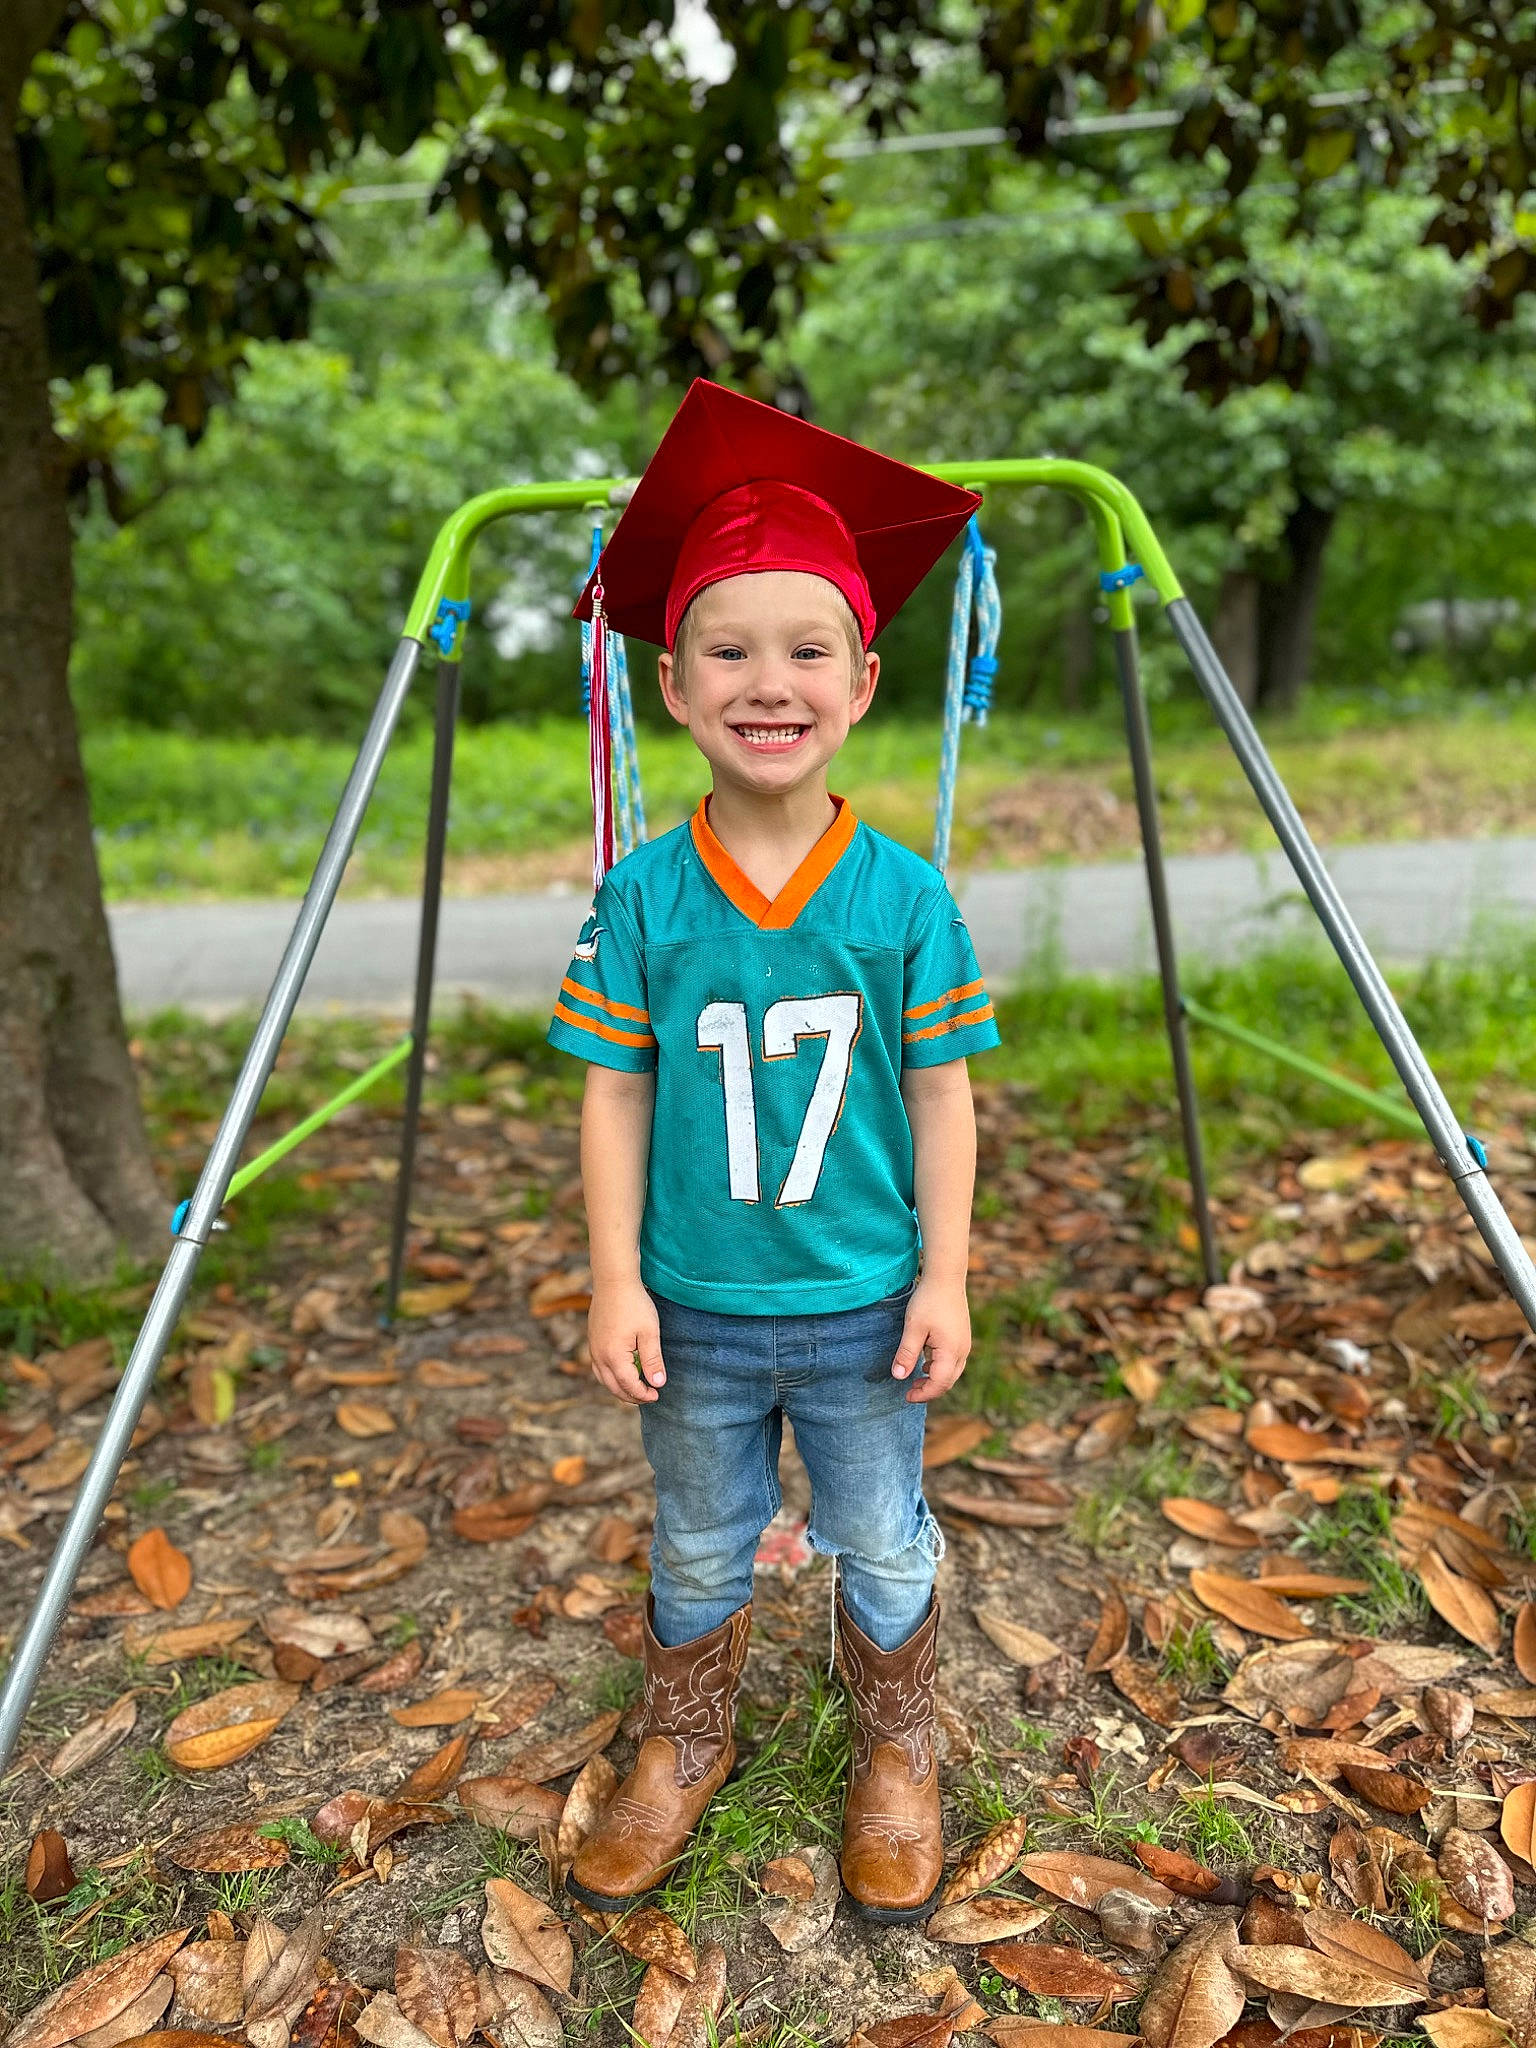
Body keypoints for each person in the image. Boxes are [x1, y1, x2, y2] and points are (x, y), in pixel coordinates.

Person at [546, 380, 1000, 1924]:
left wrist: (945, 1271)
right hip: (699, 1307)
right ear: (673, 684)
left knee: (881, 1532)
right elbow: (612, 1094)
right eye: (729, 651)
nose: (769, 681)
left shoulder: (904, 897)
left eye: (807, 650)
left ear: (863, 679)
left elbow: (943, 1093)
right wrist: (615, 1281)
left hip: (870, 1302)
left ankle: (897, 1743)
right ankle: (685, 1736)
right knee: (697, 1532)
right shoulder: (645, 899)